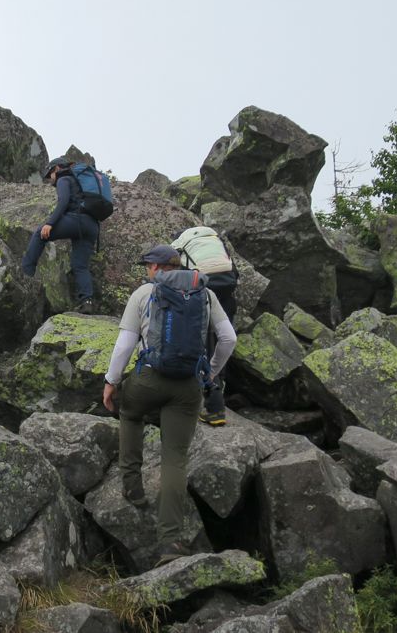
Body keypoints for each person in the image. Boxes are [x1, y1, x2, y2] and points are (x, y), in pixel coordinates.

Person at [101, 245, 237, 565]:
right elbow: (228, 338)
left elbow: (124, 345)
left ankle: (133, 488)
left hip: (148, 379)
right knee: (174, 458)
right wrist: (209, 373)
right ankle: (170, 543)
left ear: (158, 267)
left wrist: (111, 382)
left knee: (131, 414)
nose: (146, 271)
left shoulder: (144, 294)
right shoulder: (204, 292)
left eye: (147, 265)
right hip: (187, 387)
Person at [20, 157, 100, 313]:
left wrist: (49, 223)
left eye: (50, 174)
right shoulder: (82, 182)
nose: (50, 179)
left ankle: (25, 276)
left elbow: (63, 202)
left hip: (76, 220)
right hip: (92, 226)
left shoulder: (64, 179)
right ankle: (87, 301)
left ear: (56, 169)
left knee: (39, 234)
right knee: (80, 266)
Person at [171, 226, 239, 322]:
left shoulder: (181, 246)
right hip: (227, 282)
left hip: (202, 286)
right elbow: (234, 271)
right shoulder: (216, 241)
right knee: (226, 303)